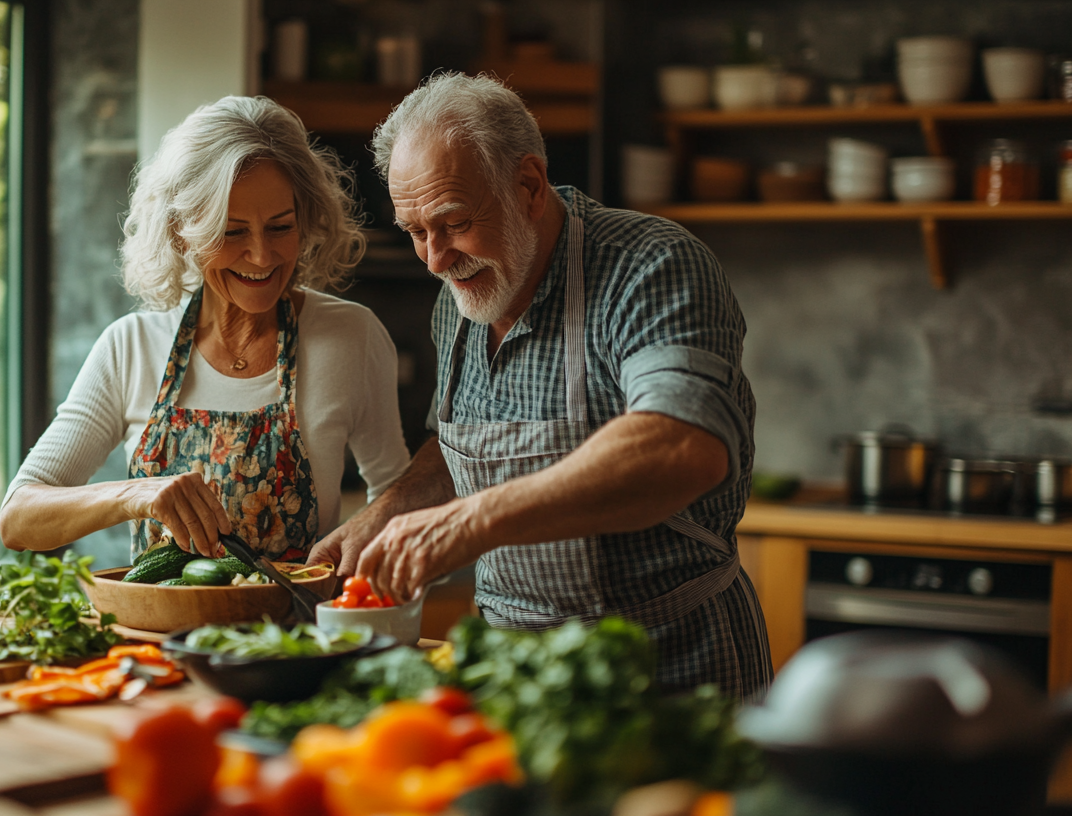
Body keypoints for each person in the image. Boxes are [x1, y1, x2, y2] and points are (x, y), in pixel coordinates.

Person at [308, 73, 771, 699]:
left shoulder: (649, 266)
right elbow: (460, 445)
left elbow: (682, 446)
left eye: (453, 222)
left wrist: (476, 520)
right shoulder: (462, 299)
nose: (435, 260)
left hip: (669, 673)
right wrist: (384, 516)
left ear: (528, 185)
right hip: (514, 675)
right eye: (415, 232)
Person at [0, 96, 410, 564]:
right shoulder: (131, 347)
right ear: (181, 232)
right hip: (153, 638)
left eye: (280, 227)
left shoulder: (350, 336)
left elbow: (398, 500)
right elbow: (19, 518)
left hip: (295, 637)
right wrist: (137, 495)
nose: (261, 256)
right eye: (232, 232)